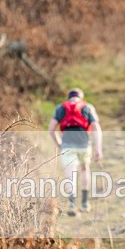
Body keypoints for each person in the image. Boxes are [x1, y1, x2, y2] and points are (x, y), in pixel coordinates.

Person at [48, 88, 103, 216]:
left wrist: (59, 144)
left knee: (70, 174)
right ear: (81, 97)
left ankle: (72, 205)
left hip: (67, 146)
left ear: (69, 97)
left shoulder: (60, 108)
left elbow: (51, 129)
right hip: (84, 145)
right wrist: (98, 148)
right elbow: (96, 128)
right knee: (84, 170)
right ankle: (84, 203)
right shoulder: (88, 107)